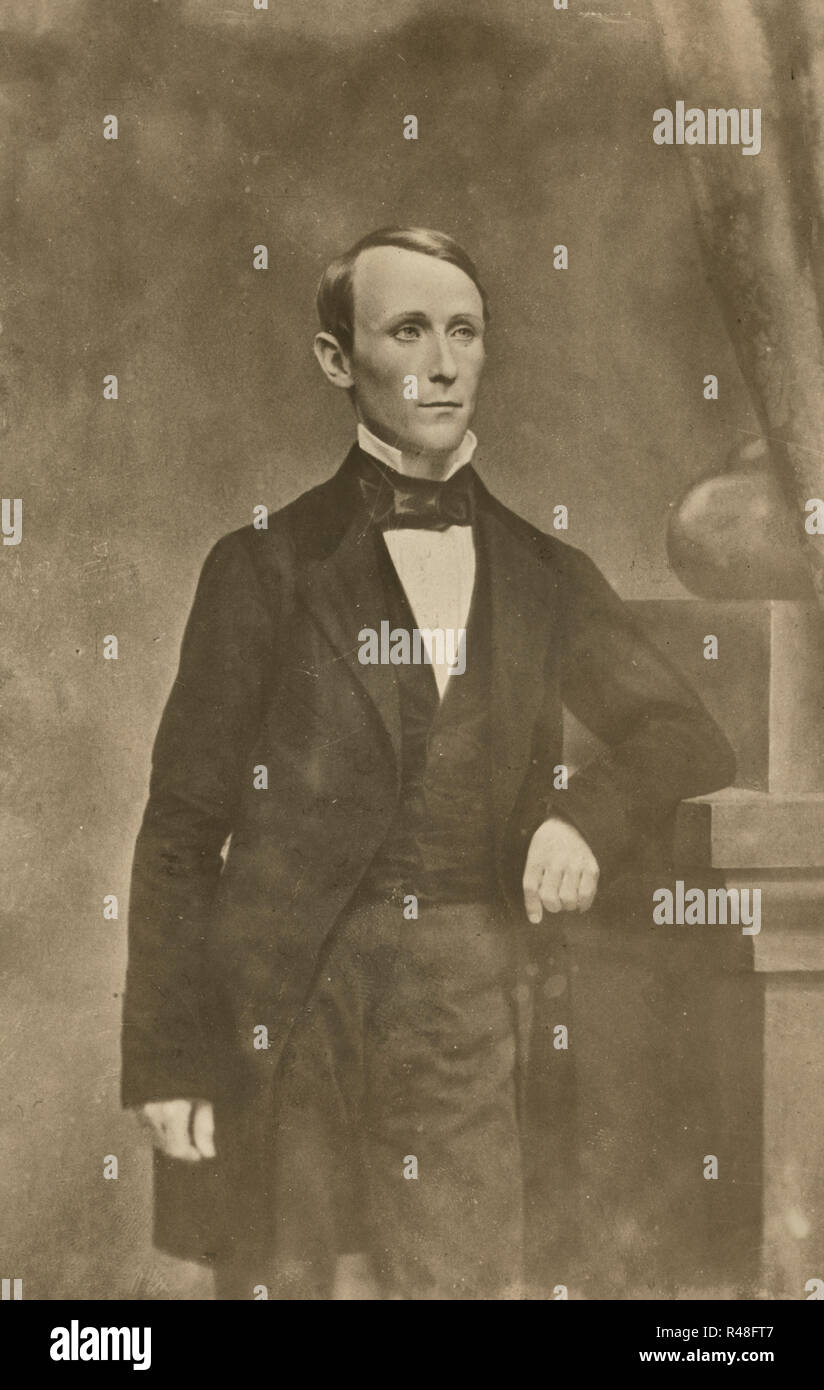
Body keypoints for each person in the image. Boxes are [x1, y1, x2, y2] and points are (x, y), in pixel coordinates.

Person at [121, 226, 736, 1300]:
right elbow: (180, 831)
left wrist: (582, 817)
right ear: (335, 359)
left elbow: (688, 733)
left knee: (459, 1286)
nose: (443, 363)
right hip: (287, 991)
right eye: (408, 331)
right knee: (283, 1285)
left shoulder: (543, 572)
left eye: (464, 331)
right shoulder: (262, 566)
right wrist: (171, 1056)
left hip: (467, 981)